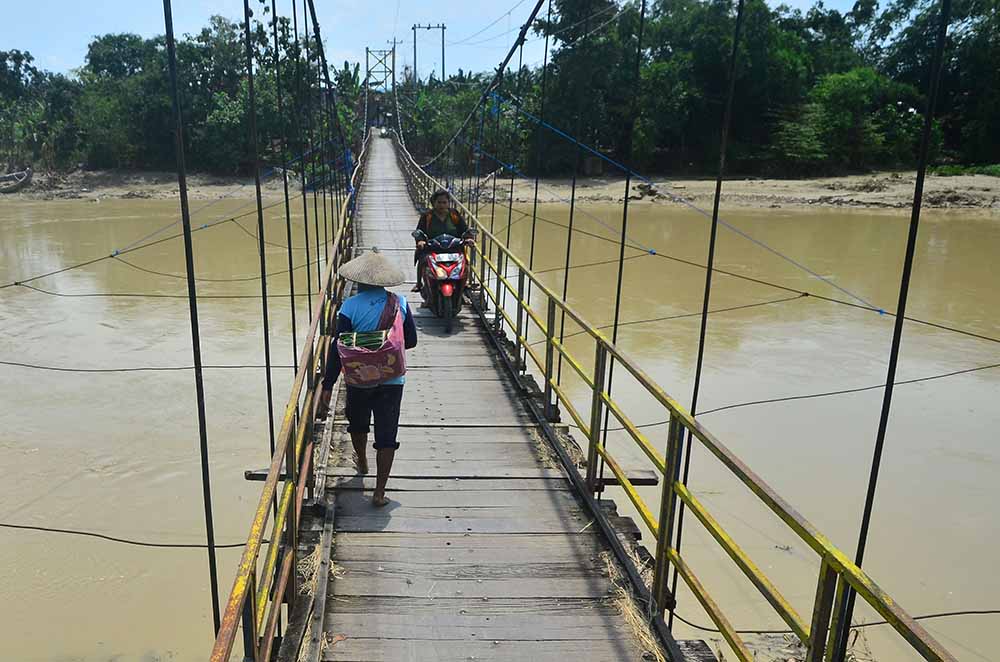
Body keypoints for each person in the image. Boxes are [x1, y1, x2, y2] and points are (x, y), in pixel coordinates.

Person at [318, 249, 418, 507]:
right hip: (392, 379)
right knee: (387, 431)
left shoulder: (349, 306)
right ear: (385, 281)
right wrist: (384, 350)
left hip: (358, 378)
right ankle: (380, 492)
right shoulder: (401, 302)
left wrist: (328, 384)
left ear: (359, 281)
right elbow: (412, 341)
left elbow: (337, 348)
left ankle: (361, 460)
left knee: (358, 421)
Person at [412, 189, 471, 292]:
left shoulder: (454, 215)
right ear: (433, 203)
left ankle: (463, 284)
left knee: (465, 262)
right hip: (432, 247)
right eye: (439, 202)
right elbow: (419, 231)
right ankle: (419, 283)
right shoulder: (427, 216)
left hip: (453, 247)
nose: (442, 205)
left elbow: (464, 230)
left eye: (444, 202)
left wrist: (469, 238)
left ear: (448, 203)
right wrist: (420, 241)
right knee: (422, 259)